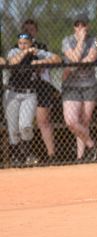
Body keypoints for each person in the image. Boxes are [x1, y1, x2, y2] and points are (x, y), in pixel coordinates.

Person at [5, 33, 61, 166]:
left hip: (30, 94)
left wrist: (41, 60)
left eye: (25, 43)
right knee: (13, 129)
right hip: (12, 93)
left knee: (25, 126)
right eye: (20, 43)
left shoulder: (37, 52)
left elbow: (57, 59)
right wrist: (26, 52)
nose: (22, 45)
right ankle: (17, 156)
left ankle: (26, 153)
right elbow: (13, 61)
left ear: (31, 43)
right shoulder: (14, 51)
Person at [61, 13, 97, 161]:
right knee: (71, 121)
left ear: (87, 26)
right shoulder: (67, 41)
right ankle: (92, 144)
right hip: (71, 86)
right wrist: (81, 41)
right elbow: (75, 58)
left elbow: (91, 58)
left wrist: (74, 64)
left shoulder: (94, 40)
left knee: (84, 122)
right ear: (74, 27)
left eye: (83, 25)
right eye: (77, 25)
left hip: (89, 85)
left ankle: (81, 157)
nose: (80, 27)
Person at [20, 19, 58, 163]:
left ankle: (51, 155)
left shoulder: (41, 47)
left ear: (36, 31)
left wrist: (40, 62)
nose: (29, 32)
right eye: (26, 30)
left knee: (43, 121)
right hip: (25, 88)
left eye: (32, 29)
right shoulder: (18, 47)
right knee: (25, 122)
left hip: (42, 85)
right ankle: (26, 156)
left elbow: (54, 60)